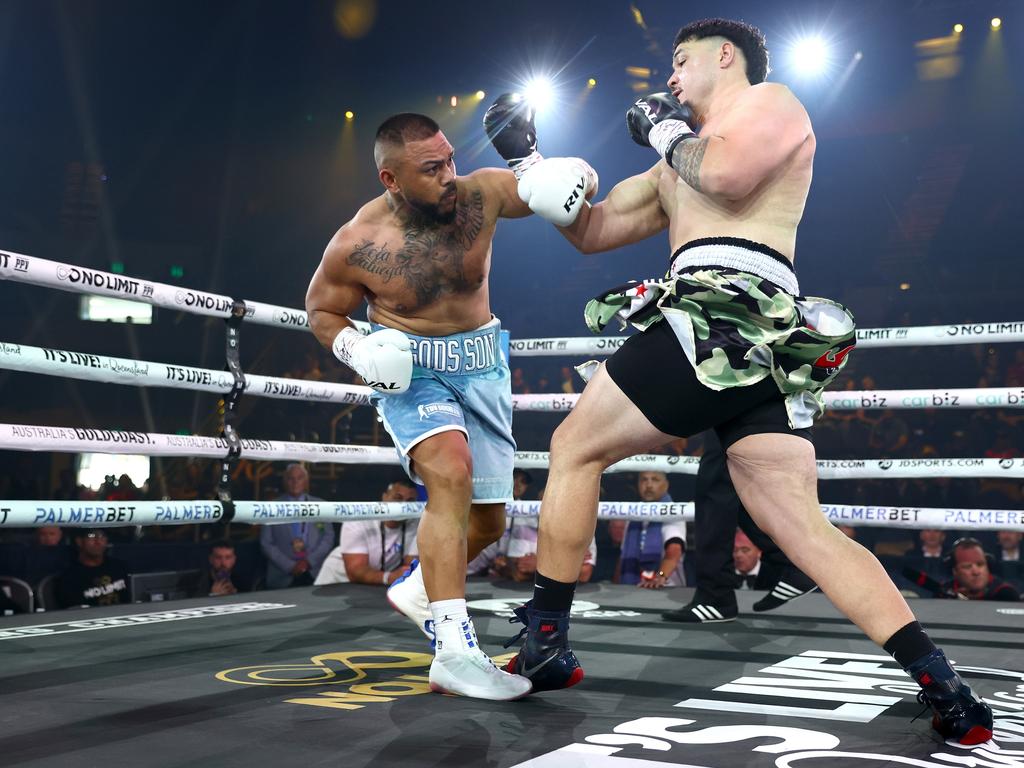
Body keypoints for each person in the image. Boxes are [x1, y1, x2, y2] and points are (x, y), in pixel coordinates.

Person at [489, 17, 992, 744]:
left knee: (574, 448)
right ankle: (946, 687)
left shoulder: (771, 103)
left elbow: (725, 175)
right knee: (803, 528)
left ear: (724, 58)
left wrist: (663, 133)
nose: (669, 78)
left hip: (728, 311)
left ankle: (543, 642)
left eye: (680, 62)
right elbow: (593, 229)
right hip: (749, 342)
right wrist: (531, 164)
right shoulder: (673, 165)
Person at [305, 110, 596, 699]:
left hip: (483, 364)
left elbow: (554, 192)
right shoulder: (357, 242)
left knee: (489, 519)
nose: (447, 175)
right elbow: (321, 310)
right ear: (391, 179)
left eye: (449, 160)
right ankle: (453, 651)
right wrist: (358, 348)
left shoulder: (479, 195)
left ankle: (420, 589)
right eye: (431, 168)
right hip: (414, 372)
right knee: (451, 475)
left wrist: (579, 174)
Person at [663, 431, 816, 623]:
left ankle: (716, 597)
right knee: (737, 488)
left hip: (734, 407)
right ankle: (793, 562)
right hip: (751, 412)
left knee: (715, 488)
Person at [260, 464, 334, 589]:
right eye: (291, 478)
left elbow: (328, 537)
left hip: (315, 573)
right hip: (282, 576)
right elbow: (266, 543)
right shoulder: (272, 506)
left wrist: (309, 561)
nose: (295, 482)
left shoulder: (321, 505)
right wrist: (289, 566)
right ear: (284, 481)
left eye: (299, 478)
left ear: (306, 481)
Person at [615, 472, 686, 588]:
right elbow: (623, 556)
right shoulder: (632, 514)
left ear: (666, 485)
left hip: (667, 588)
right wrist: (616, 586)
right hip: (632, 588)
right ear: (638, 484)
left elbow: (674, 551)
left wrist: (660, 576)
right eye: (644, 480)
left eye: (655, 480)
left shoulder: (673, 512)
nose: (648, 485)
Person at [55, 529, 130, 608]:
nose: (98, 541)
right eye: (91, 536)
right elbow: (73, 611)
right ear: (79, 541)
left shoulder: (119, 567)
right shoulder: (69, 576)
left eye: (102, 536)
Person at [941, 538, 1020, 602]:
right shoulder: (944, 594)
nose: (976, 572)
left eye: (980, 564)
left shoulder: (1006, 595)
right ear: (955, 571)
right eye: (967, 566)